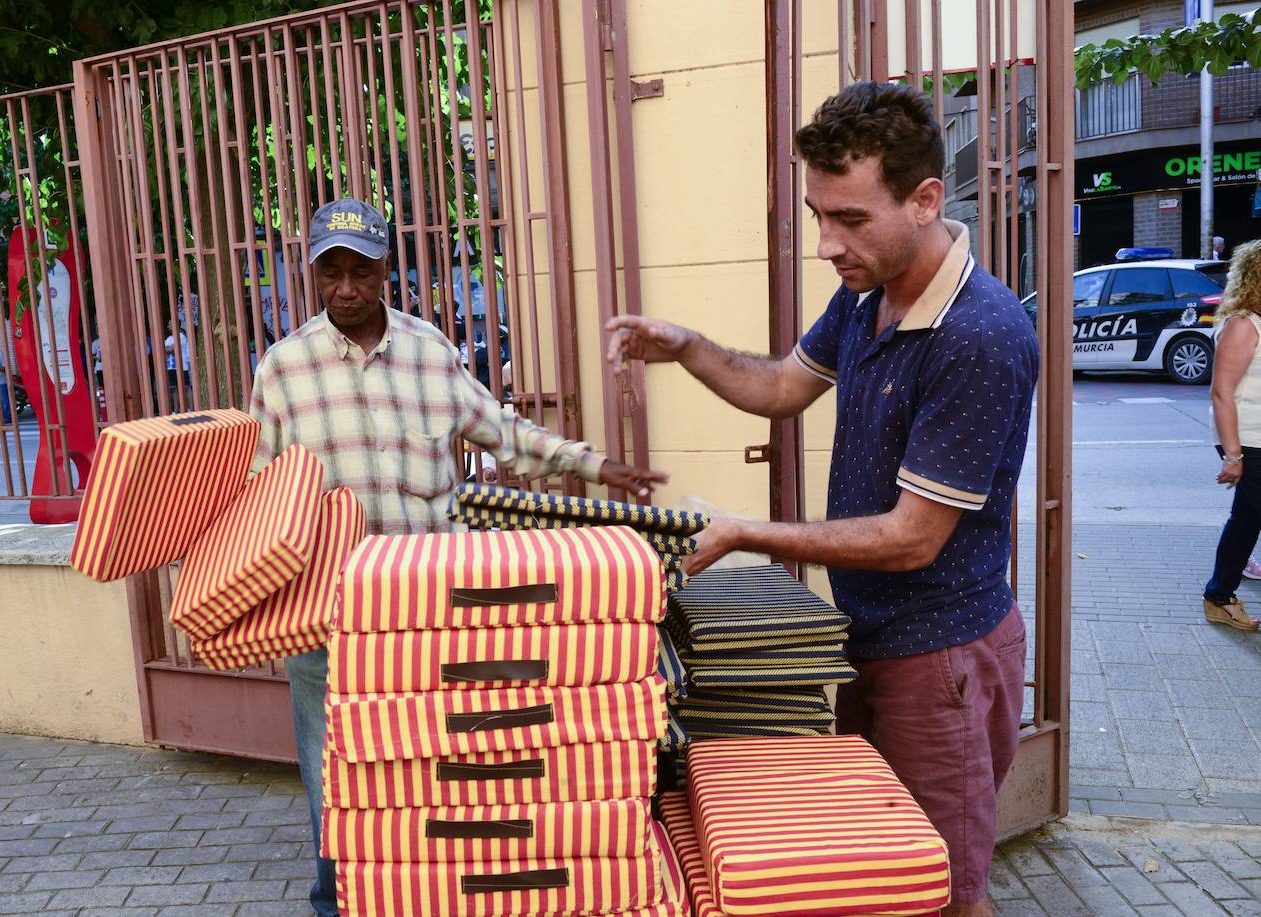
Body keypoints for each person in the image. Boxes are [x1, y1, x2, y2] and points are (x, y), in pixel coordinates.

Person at [607, 82, 1038, 917]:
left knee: (944, 893)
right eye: (817, 214)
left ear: (924, 200)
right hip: (868, 639)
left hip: (940, 658)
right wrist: (687, 346)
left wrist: (739, 532)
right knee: (878, 877)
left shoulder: (978, 335)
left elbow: (915, 538)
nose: (825, 244)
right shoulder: (869, 290)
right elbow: (779, 387)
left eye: (847, 217)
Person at [248, 197, 667, 917]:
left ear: (387, 270)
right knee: (335, 768)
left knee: (433, 761)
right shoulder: (283, 370)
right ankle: (341, 899)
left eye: (362, 271)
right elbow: (262, 492)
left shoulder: (430, 350)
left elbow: (501, 432)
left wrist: (592, 465)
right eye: (330, 273)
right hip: (332, 614)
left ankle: (431, 893)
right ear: (313, 275)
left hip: (431, 616)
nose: (346, 288)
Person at [1203, 240, 1261, 630]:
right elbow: (1222, 391)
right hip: (1250, 440)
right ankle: (1219, 595)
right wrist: (1234, 455)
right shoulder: (1244, 324)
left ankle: (1220, 594)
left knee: (1247, 518)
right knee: (1247, 518)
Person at [164, 318, 192, 408]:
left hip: (182, 366)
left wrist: (169, 349)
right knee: (173, 388)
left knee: (186, 387)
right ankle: (176, 410)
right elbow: (164, 349)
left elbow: (172, 349)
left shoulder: (181, 336)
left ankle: (190, 409)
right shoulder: (168, 338)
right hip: (171, 367)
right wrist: (169, 349)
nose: (168, 326)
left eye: (170, 324)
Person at [0, 344, 12, 424]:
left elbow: (5, 368)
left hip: (1, 382)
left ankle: (7, 417)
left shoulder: (1, 355)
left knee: (4, 401)